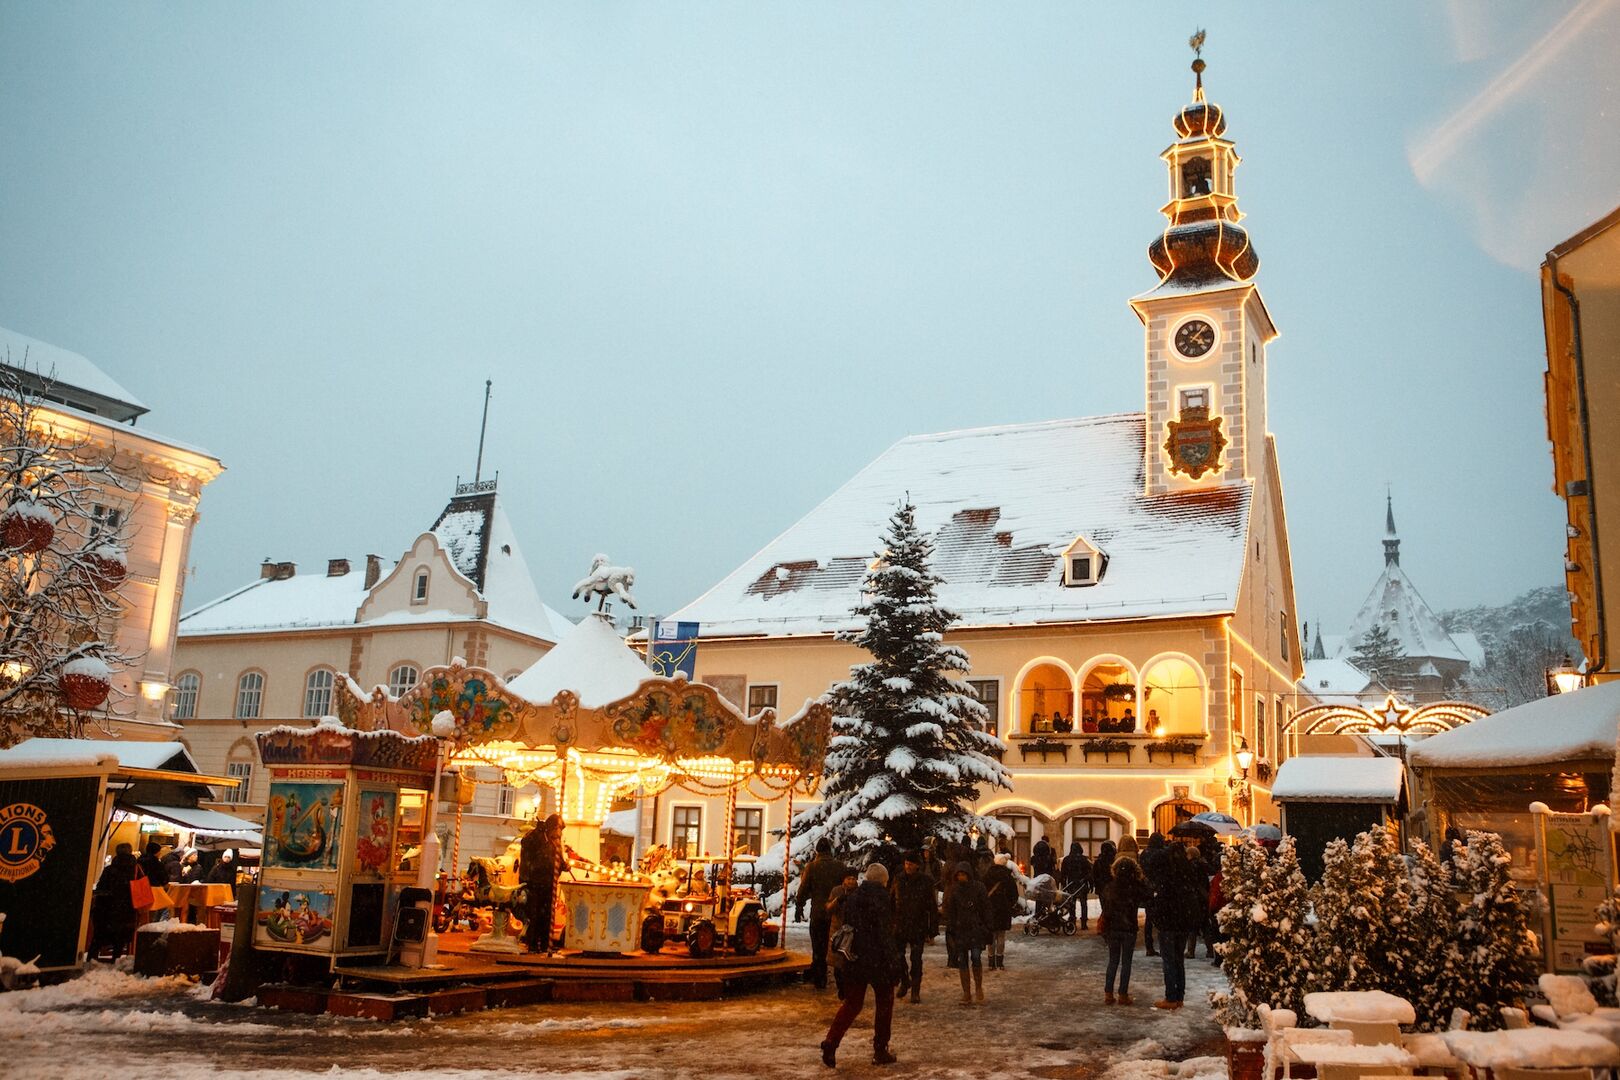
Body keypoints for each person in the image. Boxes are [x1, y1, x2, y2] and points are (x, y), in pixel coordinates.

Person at [821, 863, 901, 1068]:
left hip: (854, 958)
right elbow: (885, 935)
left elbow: (848, 926)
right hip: (878, 961)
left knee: (852, 1004)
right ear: (883, 881)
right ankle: (880, 1049)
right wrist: (895, 962)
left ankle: (831, 1040)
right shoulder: (883, 899)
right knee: (884, 1002)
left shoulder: (853, 897)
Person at [1152, 844, 1208, 1010]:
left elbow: (1161, 901)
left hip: (1168, 924)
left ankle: (1171, 997)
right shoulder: (1188, 874)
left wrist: (1158, 918)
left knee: (1169, 960)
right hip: (1183, 924)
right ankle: (1179, 996)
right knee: (1178, 960)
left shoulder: (1167, 876)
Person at [795, 838, 850, 991]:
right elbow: (845, 887)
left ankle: (820, 978)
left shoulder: (812, 867)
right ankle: (840, 978)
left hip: (818, 913)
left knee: (818, 947)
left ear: (817, 851)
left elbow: (804, 888)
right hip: (835, 914)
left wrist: (799, 905)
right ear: (830, 850)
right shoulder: (839, 867)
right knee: (836, 947)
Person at [1100, 854, 1151, 1005]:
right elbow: (1147, 896)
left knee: (1113, 961)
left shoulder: (1111, 886)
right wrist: (1141, 880)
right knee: (1126, 962)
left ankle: (1108, 993)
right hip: (1129, 927)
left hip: (1113, 928)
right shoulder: (1135, 886)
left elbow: (1107, 908)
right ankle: (1123, 994)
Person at [943, 861, 992, 1005]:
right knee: (962, 961)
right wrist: (951, 929)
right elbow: (951, 912)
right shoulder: (955, 890)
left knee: (976, 957)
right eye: (959, 875)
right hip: (960, 931)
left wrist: (987, 925)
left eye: (963, 874)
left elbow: (986, 908)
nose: (961, 877)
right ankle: (966, 992)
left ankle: (978, 987)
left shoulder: (978, 888)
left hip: (975, 929)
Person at [892, 851, 938, 1003]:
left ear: (917, 865)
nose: (908, 866)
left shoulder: (925, 881)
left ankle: (915, 991)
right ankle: (905, 981)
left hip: (918, 925)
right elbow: (891, 900)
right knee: (898, 957)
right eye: (906, 863)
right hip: (900, 924)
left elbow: (932, 906)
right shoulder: (898, 879)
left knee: (916, 959)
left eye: (911, 864)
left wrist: (932, 929)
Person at [519, 814, 564, 954]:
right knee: (536, 913)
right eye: (558, 828)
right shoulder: (537, 838)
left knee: (547, 915)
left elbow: (556, 859)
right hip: (535, 882)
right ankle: (533, 943)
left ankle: (545, 943)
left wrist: (563, 865)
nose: (559, 832)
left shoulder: (552, 842)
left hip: (548, 882)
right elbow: (529, 847)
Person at [91, 842, 141, 960]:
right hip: (128, 907)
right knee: (121, 936)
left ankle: (92, 958)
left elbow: (101, 887)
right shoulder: (136, 870)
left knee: (99, 935)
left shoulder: (109, 869)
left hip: (107, 907)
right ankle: (116, 959)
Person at [825, 867, 861, 999]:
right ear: (844, 880)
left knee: (850, 962)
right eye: (848, 878)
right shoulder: (837, 891)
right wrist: (837, 900)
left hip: (853, 932)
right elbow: (828, 909)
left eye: (853, 879)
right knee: (838, 964)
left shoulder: (859, 892)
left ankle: (848, 988)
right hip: (837, 931)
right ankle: (841, 988)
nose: (851, 881)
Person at [982, 852, 1018, 971]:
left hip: (990, 908)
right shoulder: (1008, 877)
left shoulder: (987, 875)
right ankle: (1000, 961)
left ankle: (991, 962)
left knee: (991, 935)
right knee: (1001, 935)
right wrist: (1009, 904)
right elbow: (1014, 895)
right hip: (1003, 908)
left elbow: (982, 892)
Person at [1139, 832, 1169, 956]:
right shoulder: (1162, 853)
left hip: (1147, 888)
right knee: (1162, 919)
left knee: (1149, 919)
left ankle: (1149, 946)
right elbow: (1165, 870)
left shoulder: (1144, 853)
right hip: (1160, 888)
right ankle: (1163, 947)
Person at [1060, 841, 1092, 930]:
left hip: (1071, 884)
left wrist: (1063, 884)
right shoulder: (1084, 859)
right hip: (1082, 884)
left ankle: (1072, 920)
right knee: (1083, 903)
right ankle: (1084, 923)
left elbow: (1063, 873)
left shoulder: (1067, 860)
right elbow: (1089, 873)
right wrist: (1090, 883)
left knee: (1072, 903)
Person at [1091, 840, 1117, 934]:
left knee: (1105, 907)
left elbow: (1094, 875)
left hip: (1102, 888)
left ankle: (1104, 926)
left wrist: (1096, 885)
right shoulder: (1113, 861)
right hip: (1111, 888)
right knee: (1111, 907)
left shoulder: (1098, 862)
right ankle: (1109, 926)